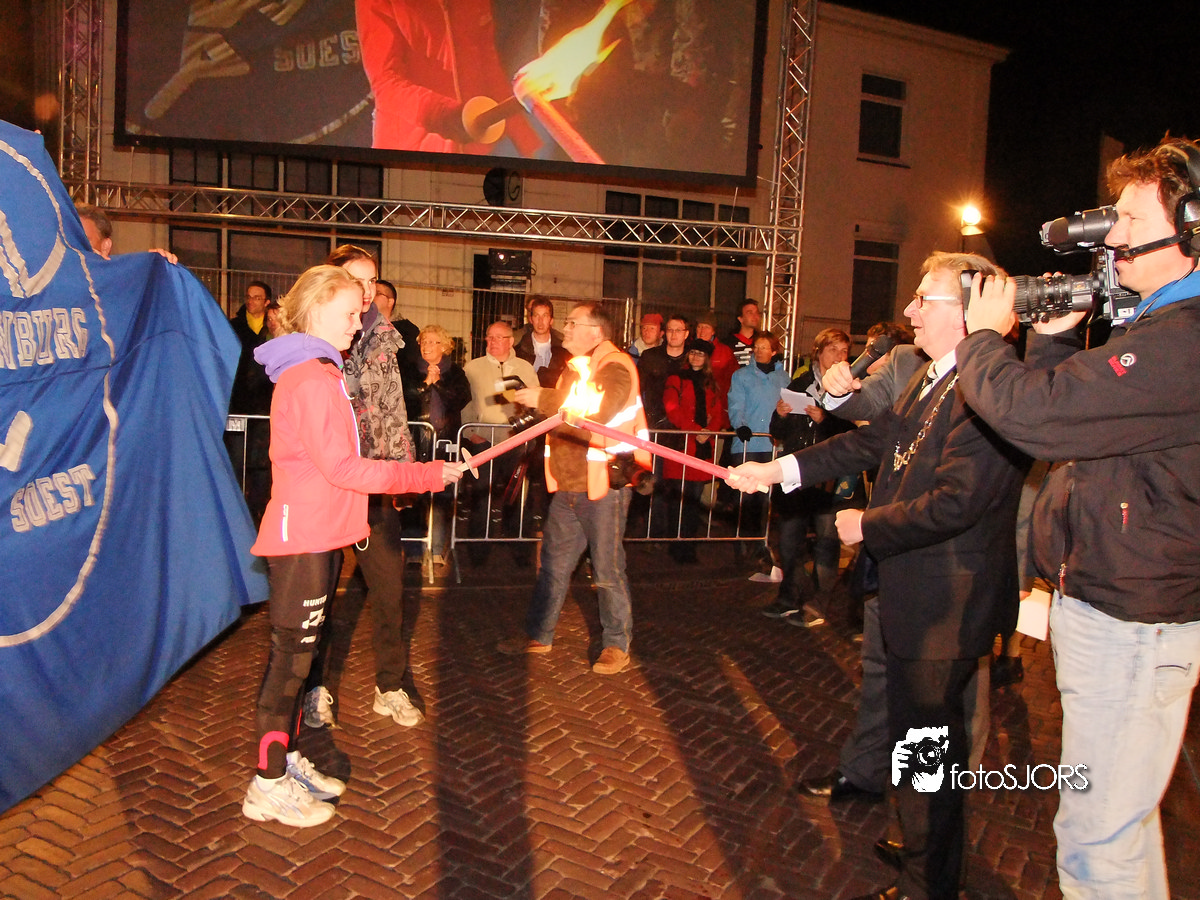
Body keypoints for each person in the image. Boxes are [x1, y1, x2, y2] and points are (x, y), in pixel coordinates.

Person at [727, 251, 1028, 900]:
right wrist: (777, 471)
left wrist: (870, 524)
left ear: (968, 310)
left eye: (925, 299)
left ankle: (928, 883)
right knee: (919, 750)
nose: (909, 310)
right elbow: (869, 442)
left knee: (930, 755)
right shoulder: (933, 376)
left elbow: (959, 502)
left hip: (946, 606)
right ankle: (923, 859)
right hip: (912, 596)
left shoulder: (992, 387)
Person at [957, 136, 1200, 900]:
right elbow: (1076, 428)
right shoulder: (1158, 332)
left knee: (1098, 848)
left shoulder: (1184, 341)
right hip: (1117, 613)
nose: (1112, 238)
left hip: (1134, 626)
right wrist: (1051, 344)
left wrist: (983, 337)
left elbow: (1036, 419)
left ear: (1191, 229)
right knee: (1122, 835)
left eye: (1131, 221)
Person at [242, 264, 459, 827]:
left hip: (316, 535)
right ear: (315, 311)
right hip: (302, 540)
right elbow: (342, 467)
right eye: (347, 312)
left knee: (300, 660)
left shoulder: (318, 370)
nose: (357, 321)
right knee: (290, 666)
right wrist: (423, 475)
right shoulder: (312, 379)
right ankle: (267, 784)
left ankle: (285, 760)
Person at [303, 245, 425, 731]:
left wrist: (404, 471)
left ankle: (389, 685)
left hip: (374, 481)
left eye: (373, 280)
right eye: (358, 280)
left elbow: (394, 409)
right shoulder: (313, 338)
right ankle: (315, 686)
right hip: (326, 483)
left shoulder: (386, 337)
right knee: (319, 593)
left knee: (389, 588)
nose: (368, 290)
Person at [497, 301, 650, 675]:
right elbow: (565, 418)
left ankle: (617, 644)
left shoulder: (616, 367)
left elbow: (597, 415)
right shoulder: (575, 368)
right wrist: (536, 408)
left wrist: (544, 398)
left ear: (595, 332)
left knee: (608, 570)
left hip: (604, 486)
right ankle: (539, 633)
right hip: (569, 485)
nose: (564, 329)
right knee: (553, 566)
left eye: (572, 323)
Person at [355, 0, 540, 155]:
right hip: (410, 150)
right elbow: (386, 84)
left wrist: (524, 137)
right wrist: (445, 115)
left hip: (474, 146)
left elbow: (486, 62)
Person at [762, 328, 857, 626]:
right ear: (819, 352)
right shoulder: (801, 383)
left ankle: (818, 603)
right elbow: (777, 432)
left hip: (829, 476)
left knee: (826, 542)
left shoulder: (850, 387)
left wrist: (825, 420)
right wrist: (780, 414)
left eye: (844, 351)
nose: (839, 357)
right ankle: (789, 596)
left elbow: (855, 434)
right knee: (789, 541)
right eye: (833, 350)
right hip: (797, 474)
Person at [461, 320, 539, 560]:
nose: (492, 341)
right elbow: (465, 403)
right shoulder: (472, 368)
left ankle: (519, 549)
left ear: (510, 341)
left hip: (517, 442)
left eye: (498, 337)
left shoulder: (525, 368)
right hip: (484, 441)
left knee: (517, 495)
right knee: (481, 496)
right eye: (489, 337)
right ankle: (477, 552)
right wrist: (470, 433)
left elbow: (536, 401)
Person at [403, 324, 471, 561]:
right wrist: (425, 384)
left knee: (441, 496)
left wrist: (438, 383)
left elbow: (461, 399)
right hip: (415, 440)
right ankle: (413, 552)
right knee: (413, 495)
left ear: (445, 346)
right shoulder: (410, 370)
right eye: (423, 341)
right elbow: (405, 397)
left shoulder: (456, 372)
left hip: (445, 442)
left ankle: (436, 550)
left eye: (433, 342)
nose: (427, 346)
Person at [727, 330, 790, 575]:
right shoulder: (741, 376)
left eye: (765, 347)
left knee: (764, 501)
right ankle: (740, 545)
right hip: (747, 445)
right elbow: (736, 403)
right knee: (744, 499)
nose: (759, 351)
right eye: (757, 347)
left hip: (772, 446)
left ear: (774, 351)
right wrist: (740, 424)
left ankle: (760, 545)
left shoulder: (783, 378)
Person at [662, 338, 728, 563]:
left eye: (700, 354)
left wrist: (708, 431)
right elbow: (672, 408)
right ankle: (675, 546)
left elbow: (717, 412)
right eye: (693, 353)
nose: (696, 357)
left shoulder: (711, 383)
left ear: (707, 358)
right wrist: (696, 429)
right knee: (678, 500)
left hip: (700, 447)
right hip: (682, 446)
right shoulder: (676, 378)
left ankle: (689, 546)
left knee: (693, 500)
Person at [227, 281, 275, 523]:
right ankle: (237, 510)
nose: (251, 301)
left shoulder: (274, 328)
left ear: (266, 302)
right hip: (239, 403)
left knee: (263, 461)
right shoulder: (233, 327)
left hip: (267, 408)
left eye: (257, 297)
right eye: (248, 296)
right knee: (237, 459)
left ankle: (260, 508)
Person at [75, 203, 178, 263]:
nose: (74, 248)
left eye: (83, 241)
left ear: (105, 247)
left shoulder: (122, 282)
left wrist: (157, 267)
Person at [514, 296, 570, 388]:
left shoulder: (563, 351)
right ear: (531, 319)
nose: (540, 321)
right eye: (536, 316)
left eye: (545, 316)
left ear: (551, 320)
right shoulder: (518, 351)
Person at [373, 277, 421, 371]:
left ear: (390, 301)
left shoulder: (406, 332)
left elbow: (410, 367)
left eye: (377, 293)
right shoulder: (360, 328)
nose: (372, 297)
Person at [696, 315, 736, 395]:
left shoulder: (725, 351)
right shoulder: (688, 350)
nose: (702, 330)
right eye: (699, 327)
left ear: (713, 331)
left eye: (707, 327)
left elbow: (733, 379)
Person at [725, 299, 761, 368]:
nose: (755, 316)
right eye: (750, 313)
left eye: (757, 313)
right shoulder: (728, 344)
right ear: (740, 319)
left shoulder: (762, 341)